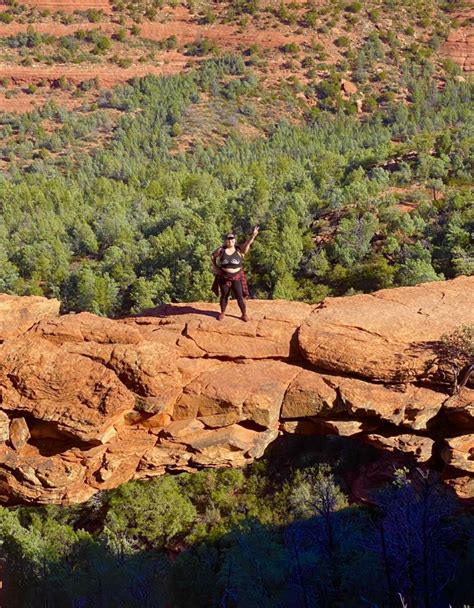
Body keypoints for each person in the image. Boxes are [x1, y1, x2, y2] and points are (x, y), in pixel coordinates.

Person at [211, 226, 259, 321]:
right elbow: (212, 256)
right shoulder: (221, 250)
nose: (230, 240)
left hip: (237, 277)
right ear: (225, 240)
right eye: (228, 238)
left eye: (232, 238)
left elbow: (247, 243)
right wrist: (216, 267)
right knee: (224, 296)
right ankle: (222, 313)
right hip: (224, 277)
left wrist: (253, 236)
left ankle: (244, 314)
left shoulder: (239, 250)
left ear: (234, 240)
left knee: (239, 296)